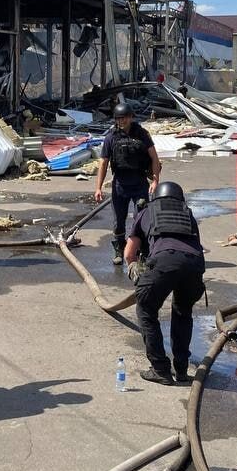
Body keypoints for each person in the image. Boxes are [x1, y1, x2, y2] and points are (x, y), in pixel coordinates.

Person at [123, 181, 205, 386]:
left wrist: (134, 267)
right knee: (182, 311)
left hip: (164, 262)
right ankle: (182, 370)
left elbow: (129, 253)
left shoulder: (146, 211)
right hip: (194, 264)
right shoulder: (188, 214)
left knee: (146, 309)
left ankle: (160, 369)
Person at [93, 102, 162, 265]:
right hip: (120, 185)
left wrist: (155, 180)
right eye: (118, 118)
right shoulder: (111, 137)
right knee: (119, 221)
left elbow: (154, 158)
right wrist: (98, 188)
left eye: (124, 118)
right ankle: (119, 249)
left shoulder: (142, 134)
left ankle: (142, 250)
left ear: (131, 117)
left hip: (139, 183)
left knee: (142, 219)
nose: (121, 121)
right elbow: (103, 163)